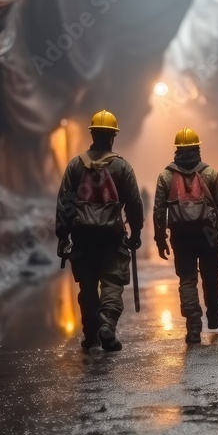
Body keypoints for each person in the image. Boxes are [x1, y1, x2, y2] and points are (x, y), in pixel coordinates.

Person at [55, 110, 144, 354]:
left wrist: (63, 236)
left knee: (87, 288)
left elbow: (65, 202)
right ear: (113, 137)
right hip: (111, 237)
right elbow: (134, 204)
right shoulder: (122, 167)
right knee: (112, 283)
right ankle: (107, 323)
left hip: (82, 238)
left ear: (92, 134)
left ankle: (91, 336)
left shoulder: (75, 165)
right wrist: (136, 232)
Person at [153, 127, 218, 344]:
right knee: (211, 277)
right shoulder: (210, 173)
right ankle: (213, 315)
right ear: (198, 148)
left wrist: (160, 238)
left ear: (176, 149)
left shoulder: (166, 175)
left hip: (180, 235)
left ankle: (193, 327)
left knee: (187, 280)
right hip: (208, 234)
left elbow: (159, 210)